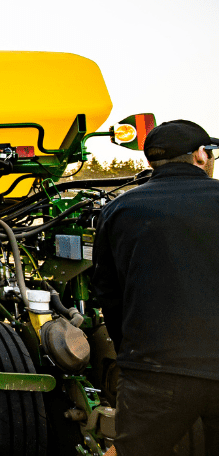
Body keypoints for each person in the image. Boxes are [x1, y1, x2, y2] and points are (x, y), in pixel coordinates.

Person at [91, 119, 219, 456]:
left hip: (153, 370)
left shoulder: (119, 210)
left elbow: (108, 293)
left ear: (150, 163)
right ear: (201, 156)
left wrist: (132, 355)